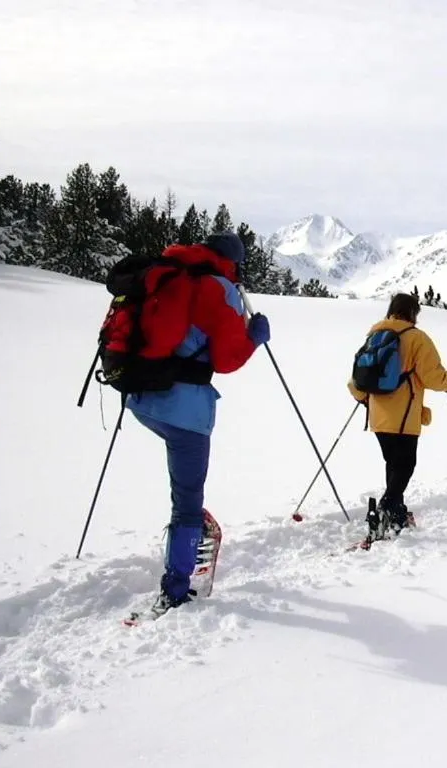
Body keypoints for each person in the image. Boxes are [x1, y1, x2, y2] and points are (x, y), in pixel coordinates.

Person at [126, 231, 269, 615]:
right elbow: (226, 360)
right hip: (184, 411)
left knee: (182, 485)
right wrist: (255, 338)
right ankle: (175, 588)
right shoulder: (220, 289)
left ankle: (189, 532)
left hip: (140, 398)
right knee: (187, 500)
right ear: (233, 262)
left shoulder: (167, 272)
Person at [347, 292, 447, 535]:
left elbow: (356, 380)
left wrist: (365, 399)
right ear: (413, 313)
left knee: (394, 463)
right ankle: (386, 508)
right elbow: (431, 375)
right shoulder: (416, 338)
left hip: (378, 416)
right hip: (404, 416)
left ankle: (396, 511)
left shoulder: (375, 335)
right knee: (406, 464)